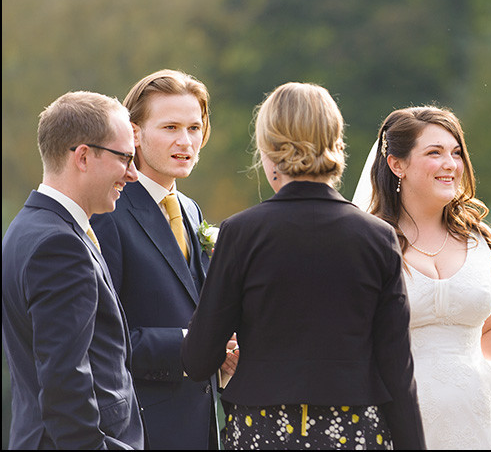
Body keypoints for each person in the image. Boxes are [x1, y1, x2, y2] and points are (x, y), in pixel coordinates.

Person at [181, 82, 426, 450]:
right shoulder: (377, 238)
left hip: (261, 430)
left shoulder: (241, 233)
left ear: (267, 149)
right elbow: (397, 367)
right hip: (353, 429)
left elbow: (199, 359)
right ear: (335, 143)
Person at [353, 106, 491, 450]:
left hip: (484, 418)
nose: (451, 164)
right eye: (434, 153)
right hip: (402, 417)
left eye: (456, 153)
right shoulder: (368, 243)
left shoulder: (481, 239)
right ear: (397, 164)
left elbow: (486, 336)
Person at [90, 69, 234, 449]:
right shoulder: (108, 211)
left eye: (194, 127)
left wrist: (222, 352)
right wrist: (194, 345)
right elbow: (101, 339)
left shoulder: (190, 209)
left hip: (199, 427)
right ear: (134, 132)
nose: (185, 141)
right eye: (170, 127)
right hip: (137, 431)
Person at [2, 91, 146, 449]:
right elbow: (65, 385)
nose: (132, 174)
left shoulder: (27, 228)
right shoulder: (59, 246)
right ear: (83, 156)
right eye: (126, 158)